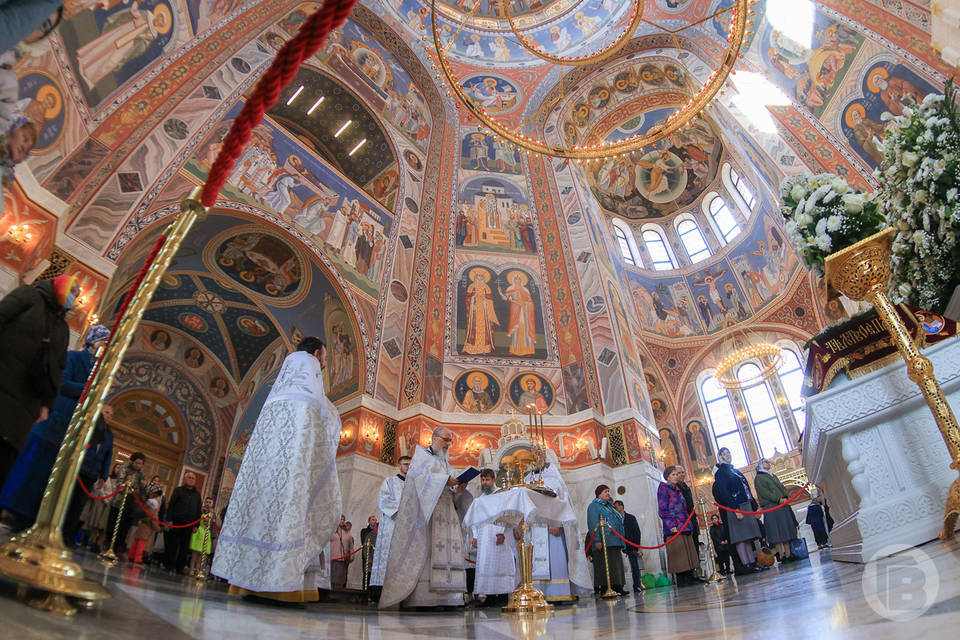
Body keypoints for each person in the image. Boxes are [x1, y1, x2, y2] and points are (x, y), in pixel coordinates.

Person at [213, 337, 342, 603]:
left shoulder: (276, 392)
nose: (325, 363)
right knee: (290, 515)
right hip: (294, 469)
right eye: (326, 357)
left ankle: (246, 583)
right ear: (317, 354)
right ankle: (282, 588)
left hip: (266, 470)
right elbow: (320, 426)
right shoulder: (311, 382)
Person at [0, 323, 110, 532]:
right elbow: (62, 384)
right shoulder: (74, 358)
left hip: (68, 432)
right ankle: (11, 511)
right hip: (52, 425)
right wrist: (89, 388)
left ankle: (31, 519)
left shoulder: (98, 371)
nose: (103, 347)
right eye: (102, 343)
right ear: (93, 342)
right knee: (30, 472)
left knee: (46, 480)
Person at [379, 427, 473, 609]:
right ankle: (425, 598)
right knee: (429, 552)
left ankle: (449, 597)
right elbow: (418, 481)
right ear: (435, 438)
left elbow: (454, 495)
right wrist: (443, 481)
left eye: (450, 441)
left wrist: (459, 489)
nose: (448, 444)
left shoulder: (446, 464)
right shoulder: (421, 457)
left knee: (448, 552)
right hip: (428, 515)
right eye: (446, 439)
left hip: (447, 516)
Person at [0, 275, 76, 488]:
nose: (74, 297)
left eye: (77, 295)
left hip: (26, 404)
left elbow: (58, 370)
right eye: (73, 290)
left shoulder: (62, 328)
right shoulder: (29, 296)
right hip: (4, 379)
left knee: (5, 459)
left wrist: (46, 406)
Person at [524, 461, 591, 600]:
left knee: (556, 559)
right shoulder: (526, 480)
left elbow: (563, 502)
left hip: (552, 526)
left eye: (538, 458)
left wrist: (558, 523)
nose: (536, 462)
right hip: (535, 528)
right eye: (533, 459)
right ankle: (537, 593)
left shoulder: (554, 479)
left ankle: (558, 592)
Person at [63, 402, 115, 546]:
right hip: (78, 470)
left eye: (111, 414)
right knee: (67, 501)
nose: (109, 416)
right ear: (100, 412)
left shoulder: (109, 435)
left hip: (91, 475)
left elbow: (108, 456)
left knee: (79, 507)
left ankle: (68, 536)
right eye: (106, 412)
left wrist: (103, 476)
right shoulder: (90, 426)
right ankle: (58, 531)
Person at [713, 448, 764, 574]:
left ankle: (751, 563)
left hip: (744, 504)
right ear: (720, 457)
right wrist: (735, 509)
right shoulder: (721, 472)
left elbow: (746, 489)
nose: (727, 456)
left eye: (728, 453)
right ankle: (745, 564)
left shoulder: (734, 470)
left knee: (747, 537)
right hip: (735, 507)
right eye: (724, 454)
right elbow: (725, 492)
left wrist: (754, 506)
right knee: (740, 537)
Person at [472, 468, 518, 607]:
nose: (485, 482)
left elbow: (507, 515)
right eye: (483, 480)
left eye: (487, 480)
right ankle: (490, 597)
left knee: (501, 565)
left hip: (500, 535)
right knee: (486, 566)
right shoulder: (479, 500)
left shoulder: (501, 495)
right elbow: (475, 520)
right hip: (484, 538)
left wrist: (502, 533)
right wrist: (475, 536)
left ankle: (503, 596)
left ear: (493, 480)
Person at [369, 455, 410, 601]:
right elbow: (384, 500)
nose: (408, 467)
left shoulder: (413, 485)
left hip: (407, 527)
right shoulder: (390, 482)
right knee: (387, 556)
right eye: (405, 464)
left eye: (410, 465)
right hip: (392, 524)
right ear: (399, 465)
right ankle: (379, 591)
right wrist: (401, 513)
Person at [657, 466, 700, 587]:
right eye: (674, 474)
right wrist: (671, 525)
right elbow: (662, 509)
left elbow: (684, 507)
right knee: (679, 554)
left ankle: (689, 576)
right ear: (667, 476)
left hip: (684, 525)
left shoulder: (678, 489)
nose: (676, 476)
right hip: (674, 526)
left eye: (677, 474)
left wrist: (690, 525)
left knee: (687, 553)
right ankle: (681, 579)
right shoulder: (663, 489)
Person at [754, 458, 797, 564]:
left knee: (785, 530)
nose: (768, 463)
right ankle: (781, 555)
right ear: (760, 465)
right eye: (765, 462)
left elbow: (781, 487)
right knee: (776, 532)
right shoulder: (759, 478)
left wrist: (785, 496)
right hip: (771, 507)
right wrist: (778, 499)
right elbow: (765, 493)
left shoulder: (772, 475)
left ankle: (788, 554)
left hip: (782, 505)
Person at [586, 484, 626, 596]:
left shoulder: (609, 506)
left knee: (616, 565)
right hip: (604, 541)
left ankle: (618, 586)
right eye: (605, 491)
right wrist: (597, 540)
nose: (607, 493)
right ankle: (606, 587)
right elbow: (593, 523)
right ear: (599, 494)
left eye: (608, 491)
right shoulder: (594, 506)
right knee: (606, 565)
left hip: (615, 541)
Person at [108, 452, 147, 556]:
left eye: (140, 464)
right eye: (136, 463)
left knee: (124, 528)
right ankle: (109, 546)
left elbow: (143, 492)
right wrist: (129, 488)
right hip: (119, 502)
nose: (138, 465)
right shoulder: (124, 468)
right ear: (132, 461)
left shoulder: (142, 474)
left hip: (131, 505)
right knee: (113, 525)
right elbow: (120, 482)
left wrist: (144, 485)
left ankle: (118, 548)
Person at [165, 471, 202, 574]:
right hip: (177, 522)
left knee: (184, 548)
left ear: (195, 481)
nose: (191, 479)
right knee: (173, 545)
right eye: (189, 478)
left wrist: (196, 525)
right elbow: (171, 505)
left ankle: (180, 568)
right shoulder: (178, 491)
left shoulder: (197, 495)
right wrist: (170, 520)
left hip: (189, 525)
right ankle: (169, 565)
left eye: (193, 478)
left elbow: (198, 510)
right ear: (185, 479)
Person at [613, 500, 644, 592]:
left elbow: (637, 532)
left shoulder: (631, 518)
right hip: (620, 546)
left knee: (634, 566)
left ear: (621, 506)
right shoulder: (614, 519)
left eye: (616, 507)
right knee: (619, 567)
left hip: (631, 546)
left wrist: (636, 547)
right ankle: (620, 587)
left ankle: (637, 585)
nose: (615, 509)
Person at [129, 486, 162, 565]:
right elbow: (154, 520)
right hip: (147, 528)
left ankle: (131, 556)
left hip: (141, 526)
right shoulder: (153, 508)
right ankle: (137, 559)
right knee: (141, 545)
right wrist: (158, 528)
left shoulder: (146, 504)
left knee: (136, 543)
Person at [188, 497, 216, 578]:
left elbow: (213, 526)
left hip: (207, 534)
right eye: (207, 502)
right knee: (194, 555)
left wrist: (213, 537)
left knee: (201, 556)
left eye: (210, 502)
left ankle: (198, 570)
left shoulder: (213, 514)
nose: (208, 504)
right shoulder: (200, 511)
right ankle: (191, 569)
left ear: (212, 504)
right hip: (199, 533)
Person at [330, 516, 354, 589]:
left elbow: (351, 546)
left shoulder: (347, 533)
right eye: (341, 519)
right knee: (331, 579)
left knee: (340, 579)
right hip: (333, 558)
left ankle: (338, 594)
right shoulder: (331, 531)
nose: (342, 521)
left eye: (343, 519)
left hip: (343, 560)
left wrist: (351, 556)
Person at [360, 515, 378, 591]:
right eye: (373, 519)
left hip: (375, 557)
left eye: (376, 520)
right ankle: (365, 592)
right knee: (367, 575)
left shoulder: (378, 531)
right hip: (367, 555)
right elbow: (365, 542)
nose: (375, 521)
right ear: (369, 521)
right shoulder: (364, 531)